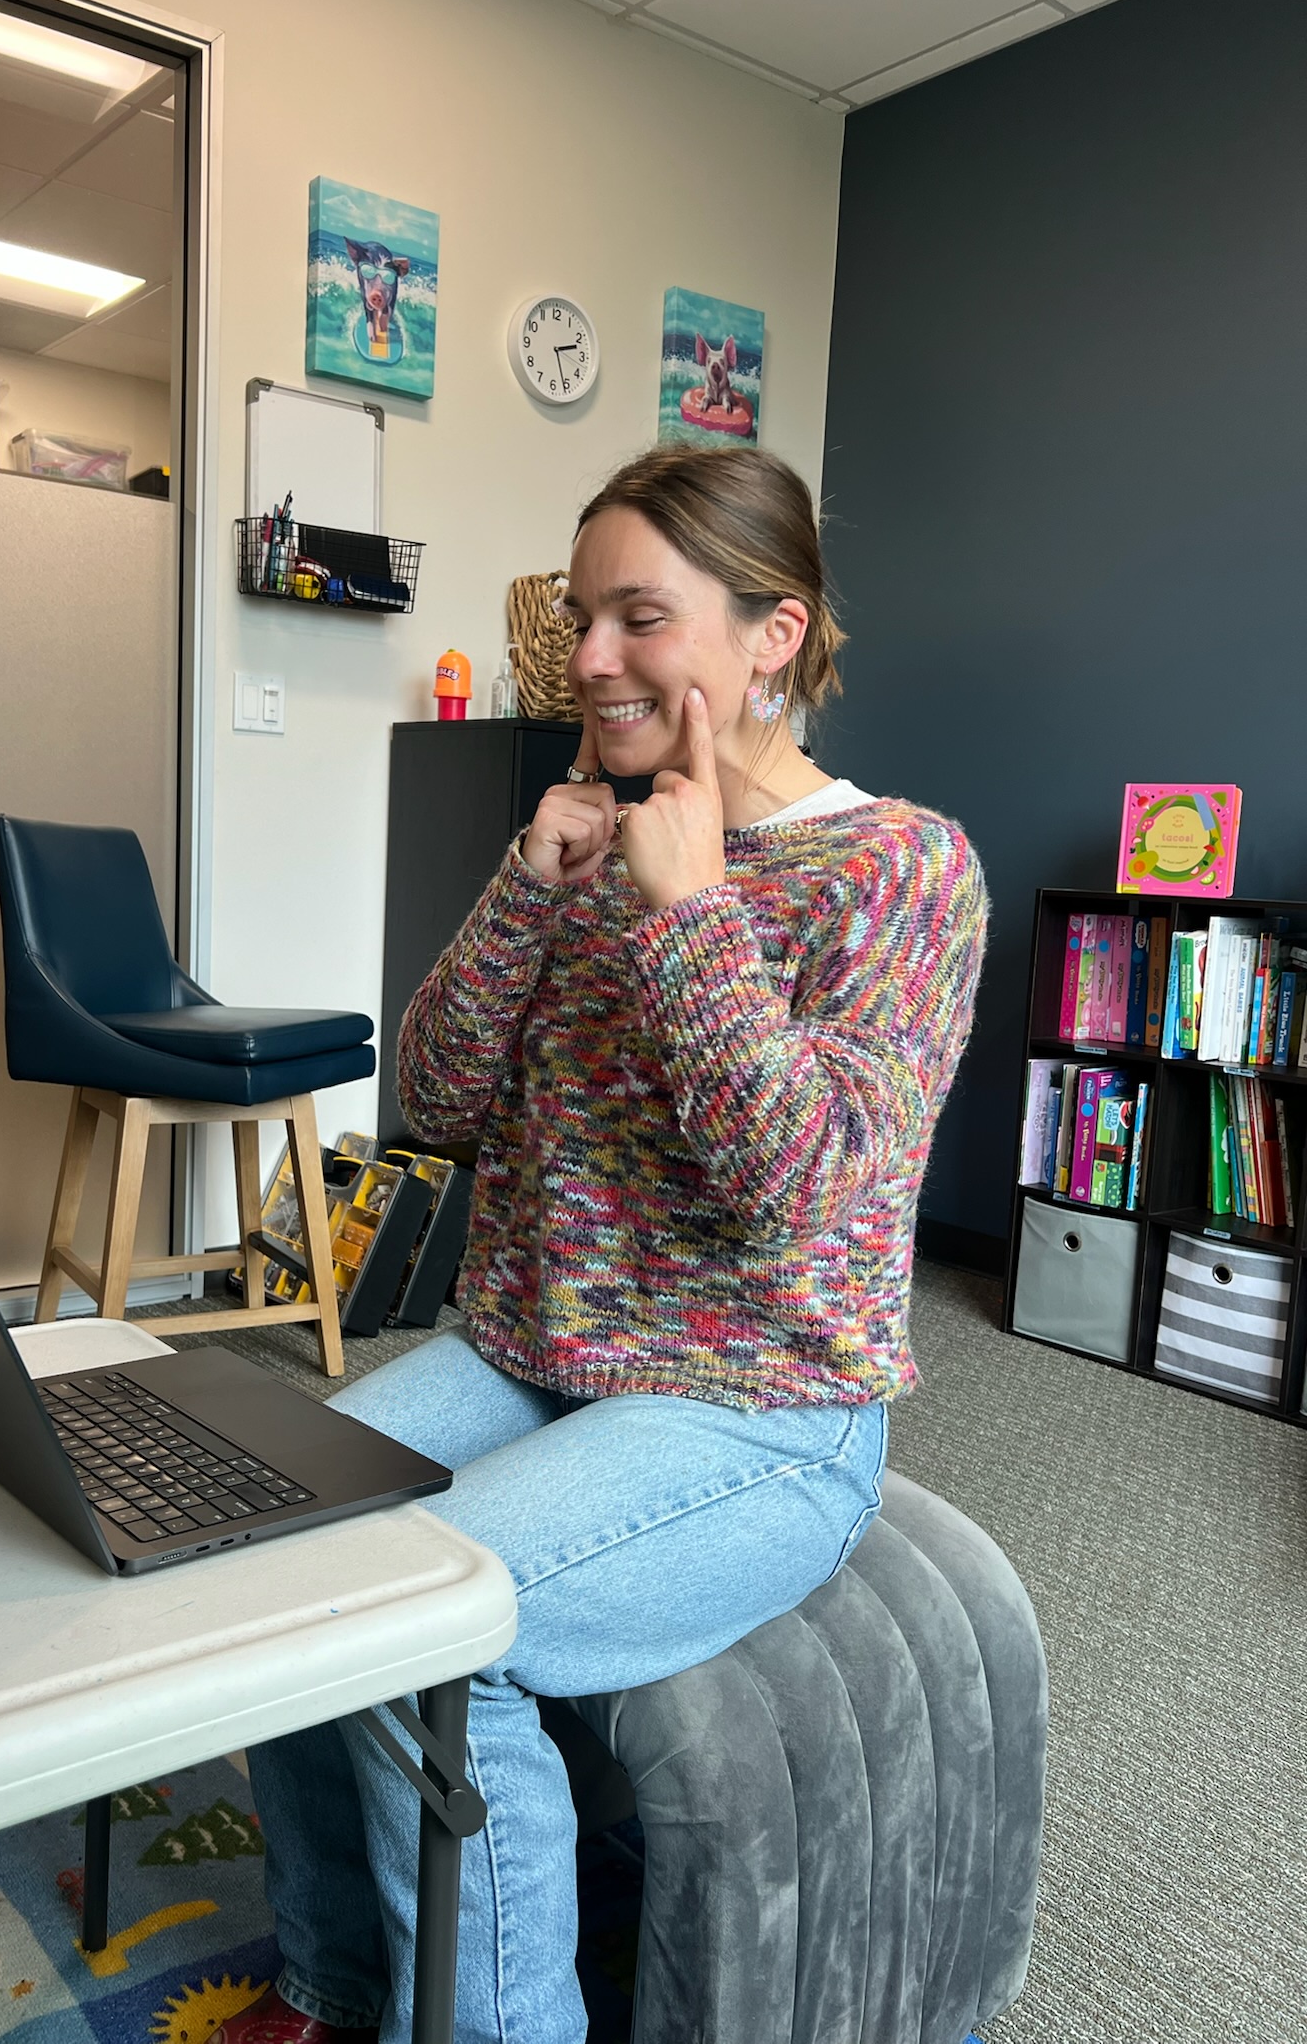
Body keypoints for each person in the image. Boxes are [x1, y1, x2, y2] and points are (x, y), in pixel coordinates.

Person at [227, 443, 989, 2044]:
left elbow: (808, 1187)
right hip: (531, 1360)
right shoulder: (595, 838)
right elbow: (429, 1101)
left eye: (639, 615)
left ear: (773, 634)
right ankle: (336, 1980)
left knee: (418, 1626)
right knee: (258, 1533)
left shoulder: (903, 870)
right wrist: (527, 883)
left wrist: (693, 914)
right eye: (582, 616)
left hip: (764, 1410)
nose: (586, 658)